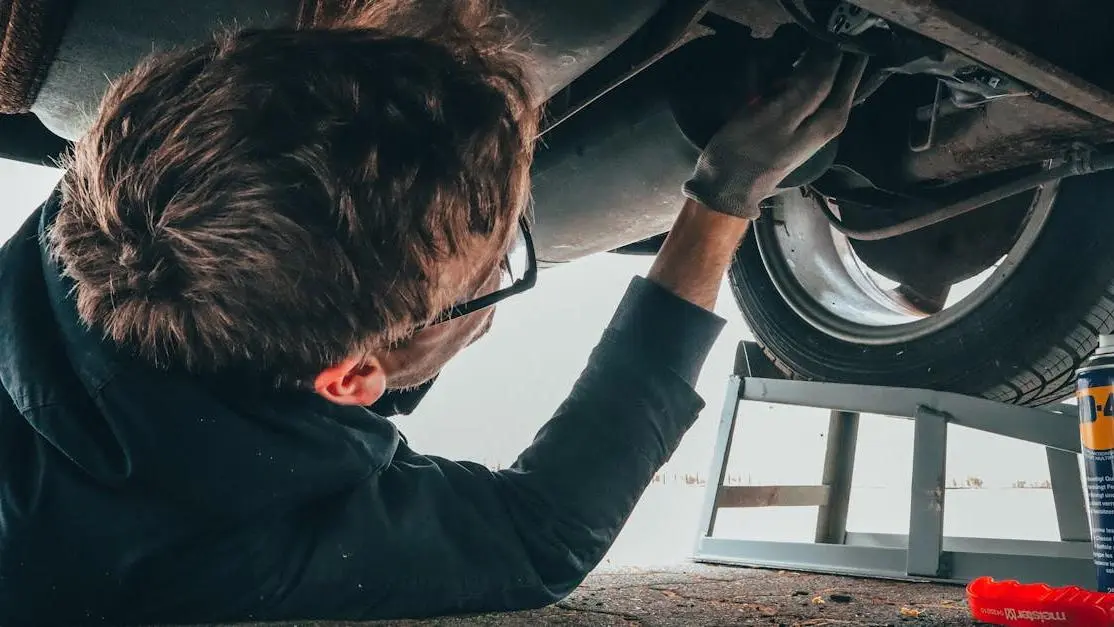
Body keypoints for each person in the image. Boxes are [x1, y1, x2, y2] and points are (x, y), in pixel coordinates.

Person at [0, 1, 866, 624]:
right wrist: (722, 199)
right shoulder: (226, 550)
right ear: (350, 376)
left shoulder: (133, 186)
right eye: (499, 265)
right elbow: (544, 535)